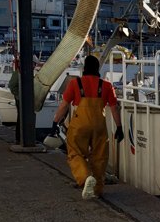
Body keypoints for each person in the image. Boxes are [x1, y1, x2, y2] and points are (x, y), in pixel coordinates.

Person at [52, 56, 124, 200]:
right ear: (98, 69)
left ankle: (85, 179)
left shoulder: (75, 83)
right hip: (99, 125)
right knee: (99, 158)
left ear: (84, 68)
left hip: (80, 125)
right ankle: (97, 190)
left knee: (75, 152)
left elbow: (64, 105)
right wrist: (119, 127)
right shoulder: (106, 85)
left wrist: (55, 122)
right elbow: (114, 109)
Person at [8, 60, 20, 143]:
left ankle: (21, 138)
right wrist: (19, 96)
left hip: (26, 99)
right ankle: (19, 138)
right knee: (21, 119)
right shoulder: (18, 73)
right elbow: (12, 85)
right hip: (21, 99)